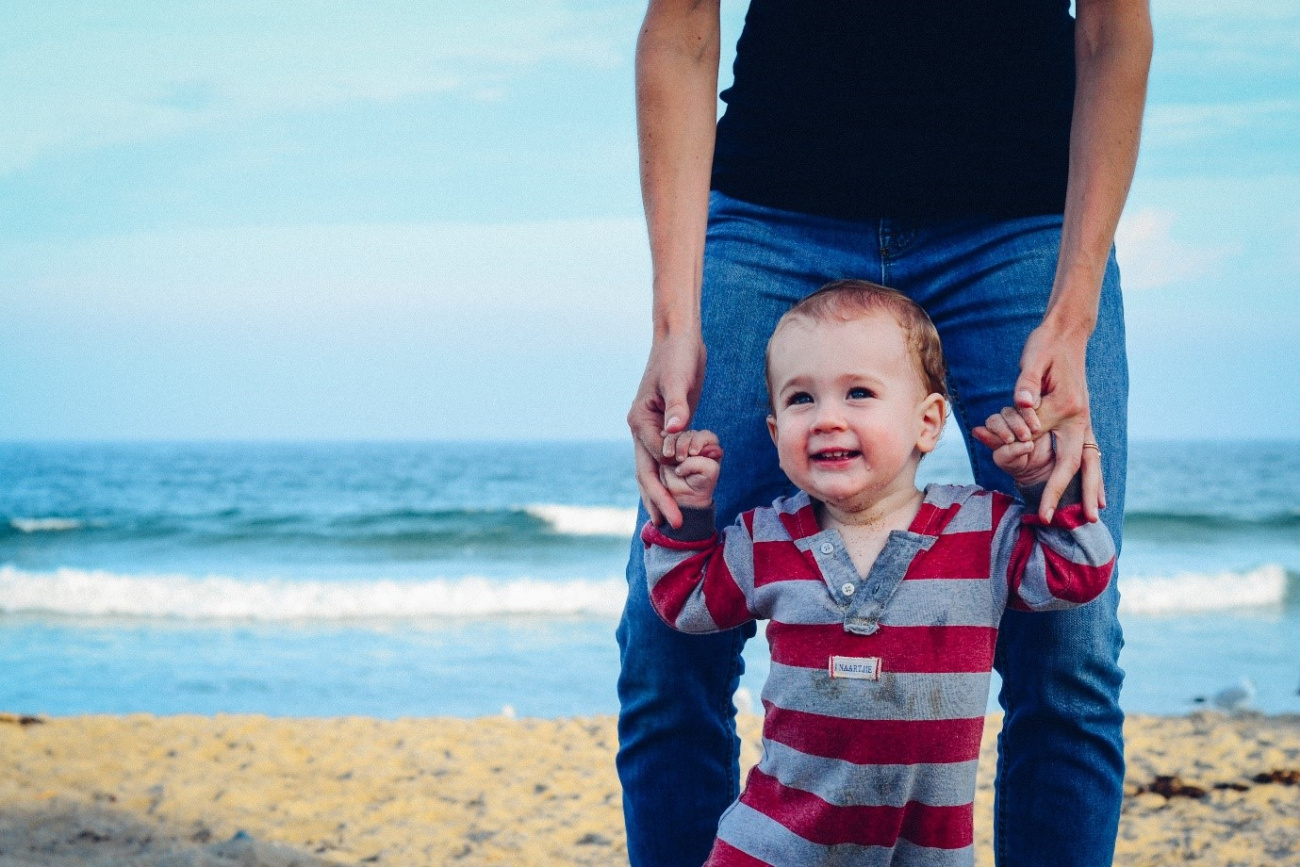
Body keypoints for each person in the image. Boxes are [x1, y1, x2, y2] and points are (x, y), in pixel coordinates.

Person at [618, 1, 1151, 864]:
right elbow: (681, 26)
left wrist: (1073, 311)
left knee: (1071, 650)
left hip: (1022, 223)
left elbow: (1112, 31)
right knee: (664, 641)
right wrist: (675, 323)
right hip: (770, 214)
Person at [640, 282, 1115, 866]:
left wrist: (1044, 483)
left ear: (928, 422)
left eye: (859, 393)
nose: (826, 419)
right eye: (800, 400)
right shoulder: (765, 537)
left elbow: (1080, 571)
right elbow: (683, 602)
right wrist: (690, 516)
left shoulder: (982, 531)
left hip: (924, 854)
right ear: (773, 434)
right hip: (771, 847)